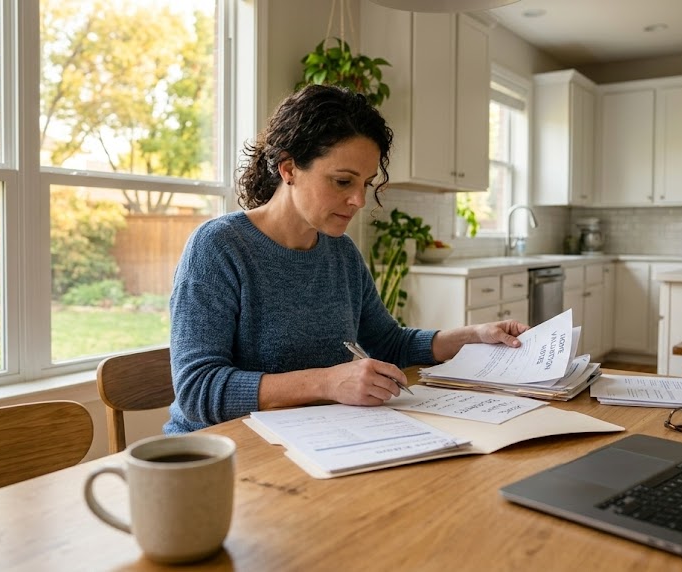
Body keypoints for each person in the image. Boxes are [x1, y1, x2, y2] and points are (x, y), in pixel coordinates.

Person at [164, 84, 527, 434]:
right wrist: (328, 382)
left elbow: (390, 343)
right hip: (223, 455)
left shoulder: (340, 253)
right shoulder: (219, 247)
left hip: (313, 439)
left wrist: (475, 336)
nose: (359, 200)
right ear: (288, 168)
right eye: (342, 181)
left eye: (366, 184)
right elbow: (197, 391)